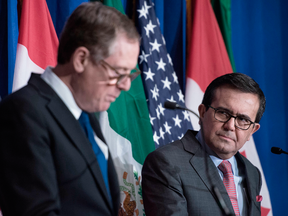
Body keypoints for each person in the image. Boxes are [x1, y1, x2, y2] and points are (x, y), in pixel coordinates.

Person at [0, 2, 140, 216]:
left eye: (130, 75)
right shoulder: (23, 112)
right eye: (118, 73)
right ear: (81, 59)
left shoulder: (87, 115)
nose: (126, 85)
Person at [142, 73, 265, 216]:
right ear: (202, 112)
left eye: (243, 119)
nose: (230, 126)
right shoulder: (166, 163)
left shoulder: (252, 172)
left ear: (252, 130)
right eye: (223, 113)